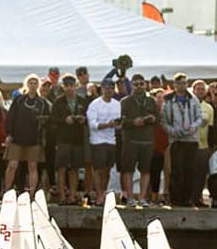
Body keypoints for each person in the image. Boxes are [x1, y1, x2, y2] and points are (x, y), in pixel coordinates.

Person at [161, 73, 205, 207]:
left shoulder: (193, 99)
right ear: (174, 84)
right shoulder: (168, 100)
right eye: (179, 83)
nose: (182, 85)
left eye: (185, 83)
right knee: (176, 171)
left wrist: (194, 127)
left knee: (190, 170)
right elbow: (163, 121)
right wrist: (173, 131)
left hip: (191, 139)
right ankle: (176, 199)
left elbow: (200, 117)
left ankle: (187, 199)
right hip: (176, 140)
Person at [3, 73, 50, 196]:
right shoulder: (19, 100)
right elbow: (10, 118)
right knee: (12, 164)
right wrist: (9, 134)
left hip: (34, 139)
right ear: (27, 84)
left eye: (35, 83)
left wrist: (42, 121)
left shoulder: (42, 103)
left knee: (32, 166)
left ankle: (32, 193)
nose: (33, 85)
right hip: (17, 138)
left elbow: (48, 121)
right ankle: (7, 190)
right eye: (31, 83)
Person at [118, 72, 159, 206]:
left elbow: (158, 118)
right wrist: (132, 122)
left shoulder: (151, 101)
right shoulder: (125, 101)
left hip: (147, 140)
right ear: (131, 85)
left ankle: (142, 198)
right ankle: (130, 197)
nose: (139, 87)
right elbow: (120, 121)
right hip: (131, 140)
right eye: (136, 84)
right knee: (128, 170)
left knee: (146, 170)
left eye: (141, 84)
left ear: (145, 85)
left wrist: (152, 119)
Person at [49, 74, 87, 205]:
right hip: (63, 138)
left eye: (72, 86)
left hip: (77, 138)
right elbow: (52, 120)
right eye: (67, 86)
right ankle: (62, 196)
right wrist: (64, 120)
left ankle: (72, 195)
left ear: (76, 86)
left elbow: (88, 117)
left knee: (75, 168)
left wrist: (83, 120)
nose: (69, 88)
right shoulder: (58, 102)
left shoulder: (82, 101)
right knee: (61, 167)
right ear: (63, 87)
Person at [86, 74, 122, 205]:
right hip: (97, 141)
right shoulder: (94, 105)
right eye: (106, 88)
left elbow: (119, 123)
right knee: (98, 169)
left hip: (111, 140)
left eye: (111, 88)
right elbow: (93, 125)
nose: (109, 90)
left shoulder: (117, 104)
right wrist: (107, 124)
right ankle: (99, 194)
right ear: (102, 89)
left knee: (107, 169)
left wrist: (117, 124)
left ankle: (103, 191)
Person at [192, 79, 215, 207]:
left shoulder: (209, 108)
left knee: (201, 174)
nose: (200, 91)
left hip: (203, 145)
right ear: (193, 90)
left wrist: (210, 147)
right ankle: (188, 198)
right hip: (189, 144)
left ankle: (198, 198)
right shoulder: (188, 104)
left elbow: (210, 128)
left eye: (202, 89)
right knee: (190, 173)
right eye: (198, 89)